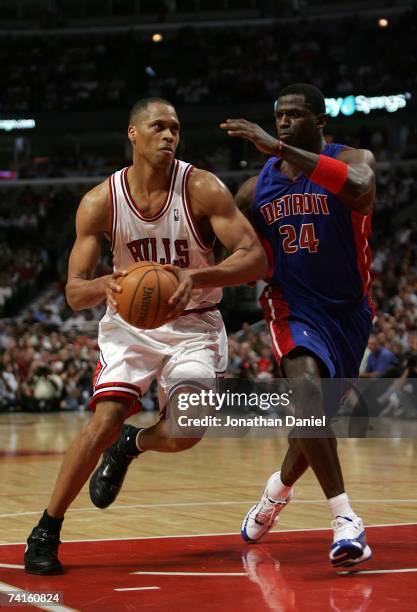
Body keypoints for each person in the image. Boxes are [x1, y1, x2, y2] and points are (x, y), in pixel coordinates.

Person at [24, 97, 268, 575]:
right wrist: (106, 284)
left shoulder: (201, 187)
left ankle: (131, 446)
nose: (169, 135)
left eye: (175, 128)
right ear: (133, 134)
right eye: (158, 126)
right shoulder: (100, 201)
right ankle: (46, 529)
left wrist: (196, 278)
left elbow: (256, 258)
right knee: (105, 418)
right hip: (131, 326)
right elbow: (75, 293)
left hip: (194, 323)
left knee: (186, 431)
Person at [220, 83, 376, 568]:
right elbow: (222, 236)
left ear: (319, 119)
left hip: (350, 311)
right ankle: (345, 519)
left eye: (293, 115)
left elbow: (360, 190)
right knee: (307, 396)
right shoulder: (257, 187)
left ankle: (275, 492)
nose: (283, 121)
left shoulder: (352, 157)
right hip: (291, 306)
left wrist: (281, 148)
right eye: (278, 116)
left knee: (313, 424)